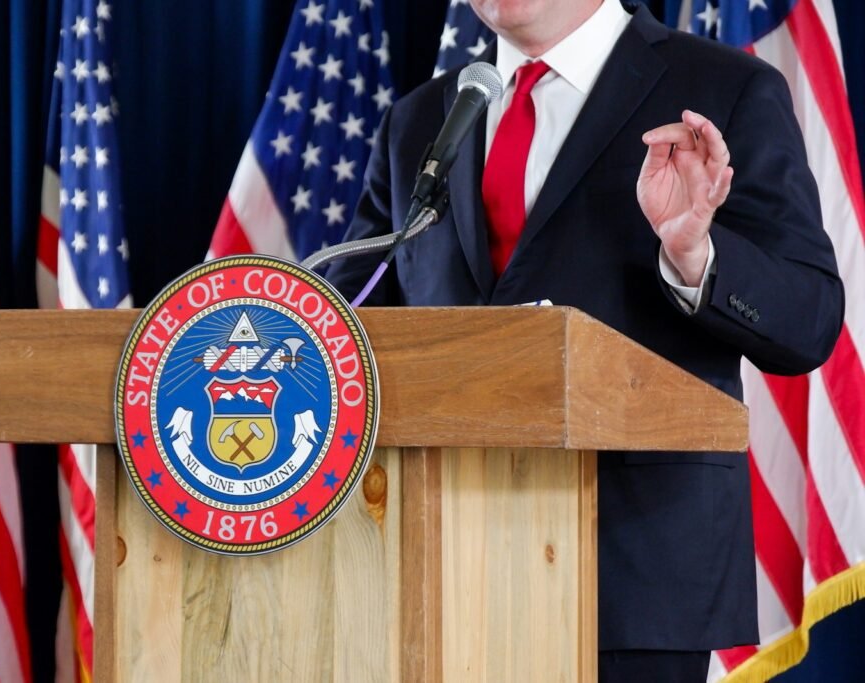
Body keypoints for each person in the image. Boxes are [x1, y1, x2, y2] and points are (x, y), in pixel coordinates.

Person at [325, 1, 845, 681]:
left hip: (632, 578)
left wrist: (698, 256)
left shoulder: (721, 88)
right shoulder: (420, 119)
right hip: (434, 566)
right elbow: (342, 321)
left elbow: (808, 318)